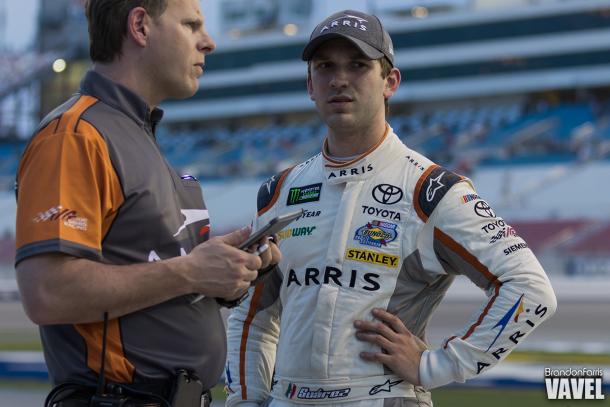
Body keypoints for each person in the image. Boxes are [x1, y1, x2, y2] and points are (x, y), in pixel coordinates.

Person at [225, 9, 556, 407]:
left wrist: (438, 366)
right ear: (310, 84)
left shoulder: (431, 189)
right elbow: (252, 315)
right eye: (325, 66)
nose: (339, 79)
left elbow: (530, 289)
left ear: (390, 82)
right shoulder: (279, 191)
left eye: (359, 66)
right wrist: (246, 399)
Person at [14, 0, 279, 405]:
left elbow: (156, 269)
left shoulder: (138, 135)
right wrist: (191, 272)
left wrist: (225, 274)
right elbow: (48, 292)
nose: (208, 42)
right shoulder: (77, 137)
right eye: (191, 25)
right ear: (140, 26)